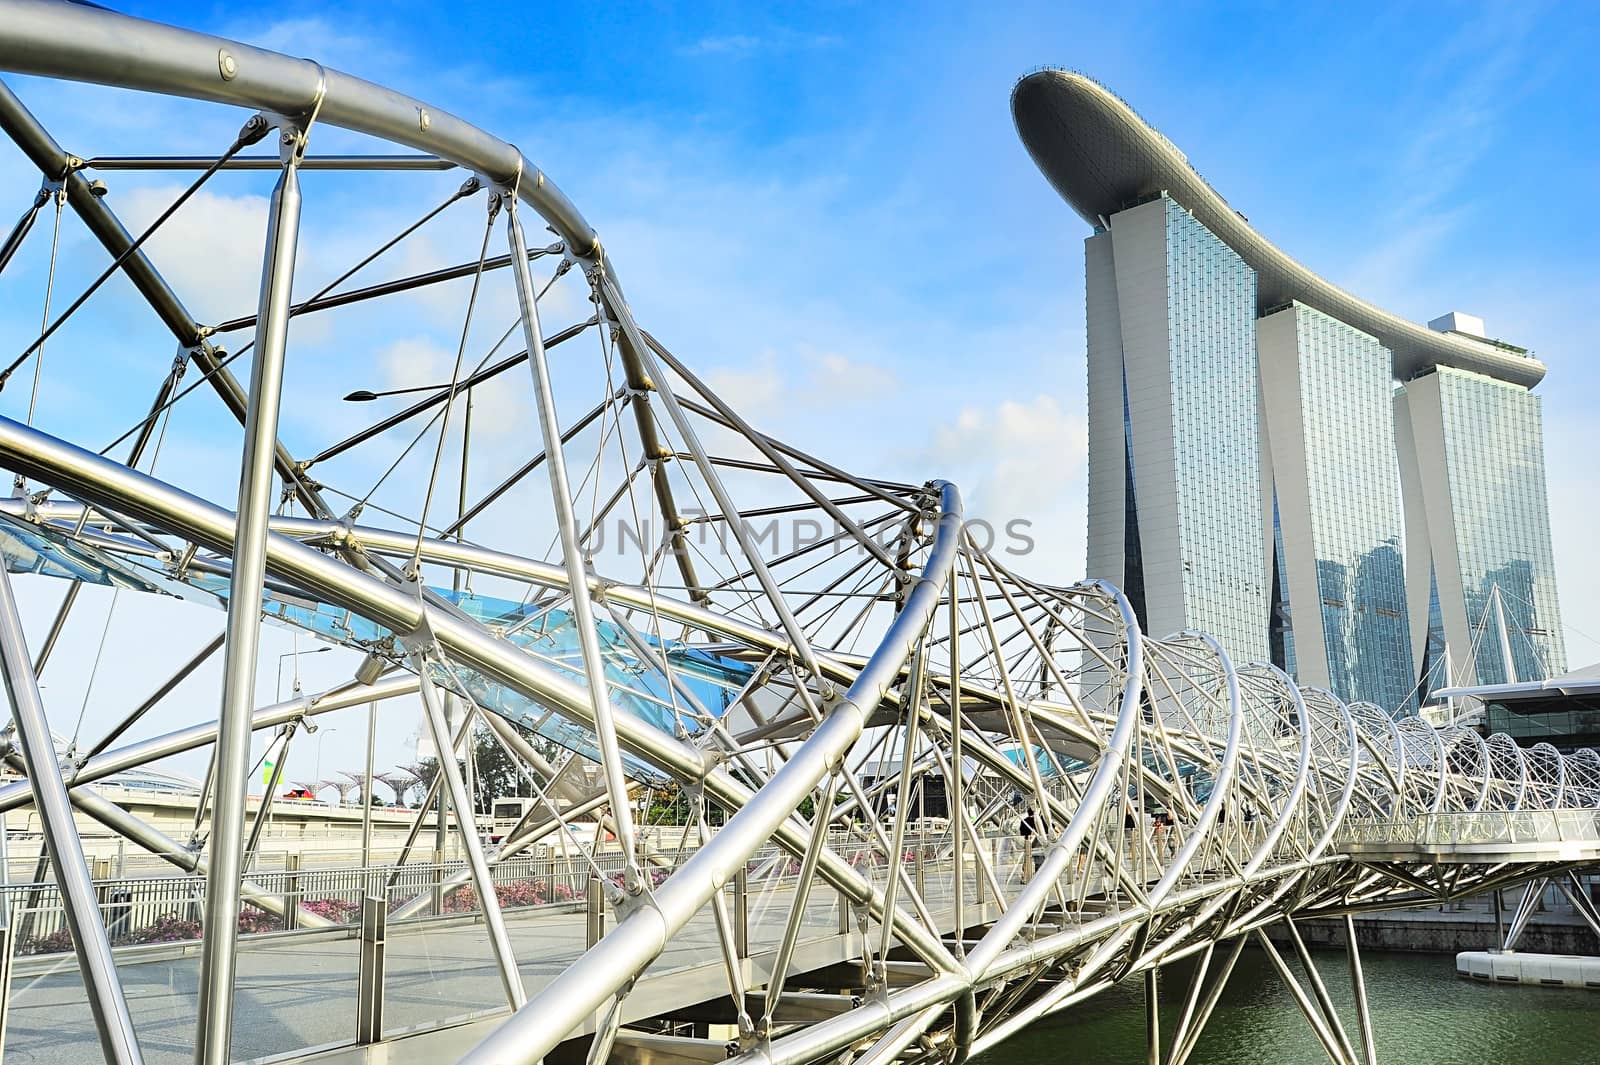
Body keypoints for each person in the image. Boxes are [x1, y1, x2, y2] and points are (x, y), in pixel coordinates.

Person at [1018, 806, 1038, 881]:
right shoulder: (1036, 821)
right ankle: (1036, 875)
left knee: (1026, 859)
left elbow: (1021, 832)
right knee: (1037, 859)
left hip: (1026, 841)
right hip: (1035, 841)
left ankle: (1024, 875)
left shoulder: (1023, 821)